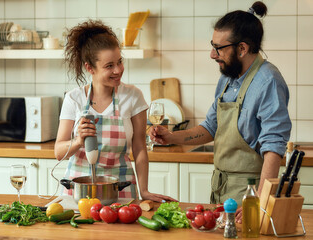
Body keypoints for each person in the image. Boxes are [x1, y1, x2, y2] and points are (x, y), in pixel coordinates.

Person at [149, 1, 291, 217]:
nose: (212, 54)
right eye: (212, 46)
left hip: (249, 192)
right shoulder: (229, 78)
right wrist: (171, 137)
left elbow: (273, 146)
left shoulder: (268, 81)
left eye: (218, 48)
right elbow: (210, 127)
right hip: (221, 189)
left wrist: (259, 201)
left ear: (242, 48)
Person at [55, 19, 176, 202]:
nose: (118, 70)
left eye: (119, 62)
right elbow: (58, 151)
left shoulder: (133, 96)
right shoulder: (74, 99)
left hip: (121, 189)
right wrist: (78, 140)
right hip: (79, 190)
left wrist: (144, 190)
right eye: (109, 66)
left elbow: (140, 148)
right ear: (90, 68)